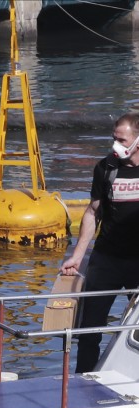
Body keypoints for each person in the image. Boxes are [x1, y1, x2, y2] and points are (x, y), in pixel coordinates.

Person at [60, 112, 139, 373]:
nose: (115, 144)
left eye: (121, 139)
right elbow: (93, 213)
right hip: (106, 259)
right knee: (89, 330)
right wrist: (77, 255)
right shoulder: (106, 168)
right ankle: (83, 381)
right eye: (113, 138)